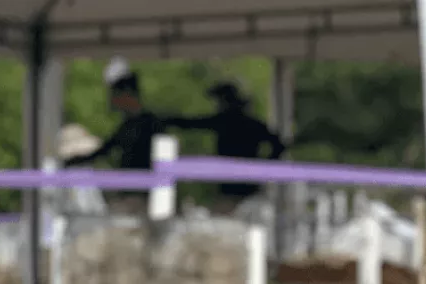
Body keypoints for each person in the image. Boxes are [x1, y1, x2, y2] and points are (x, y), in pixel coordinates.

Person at [161, 81, 286, 215]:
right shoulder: (252, 124)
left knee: (227, 218)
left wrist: (263, 167)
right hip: (244, 185)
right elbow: (278, 144)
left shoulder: (227, 121)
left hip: (235, 188)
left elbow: (191, 123)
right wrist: (264, 167)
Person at [61, 67, 168, 216]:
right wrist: (72, 161)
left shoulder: (148, 124)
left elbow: (105, 150)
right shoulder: (128, 126)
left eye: (115, 95)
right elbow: (104, 150)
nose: (112, 100)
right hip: (131, 192)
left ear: (127, 94)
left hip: (144, 196)